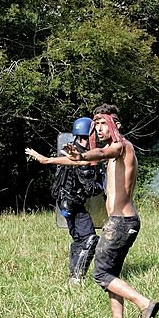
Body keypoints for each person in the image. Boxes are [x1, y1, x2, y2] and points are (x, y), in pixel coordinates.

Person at [26, 105, 159, 318]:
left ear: (116, 125)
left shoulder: (121, 147)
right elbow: (82, 161)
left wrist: (84, 154)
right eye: (95, 124)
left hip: (121, 223)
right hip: (119, 222)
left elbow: (97, 154)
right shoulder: (113, 150)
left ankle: (144, 303)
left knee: (100, 274)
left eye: (103, 123)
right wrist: (48, 161)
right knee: (112, 276)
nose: (98, 128)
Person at [30, 117, 102, 284]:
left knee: (79, 239)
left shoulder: (70, 151)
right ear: (87, 135)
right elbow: (90, 188)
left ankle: (73, 276)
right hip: (74, 205)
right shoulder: (79, 158)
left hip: (65, 203)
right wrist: (104, 184)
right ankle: (77, 277)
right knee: (90, 239)